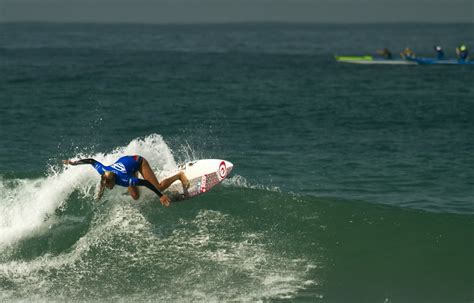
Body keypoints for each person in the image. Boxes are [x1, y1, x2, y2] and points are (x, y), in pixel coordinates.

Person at [63, 155, 189, 207]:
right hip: (127, 165)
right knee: (135, 196)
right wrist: (73, 163)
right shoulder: (103, 172)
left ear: (114, 180)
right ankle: (153, 177)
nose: (108, 187)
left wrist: (161, 196)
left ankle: (179, 176)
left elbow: (145, 183)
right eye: (106, 185)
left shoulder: (125, 180)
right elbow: (91, 161)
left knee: (158, 187)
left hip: (138, 161)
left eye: (110, 185)